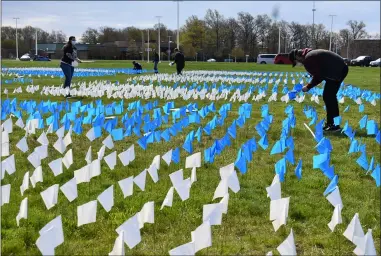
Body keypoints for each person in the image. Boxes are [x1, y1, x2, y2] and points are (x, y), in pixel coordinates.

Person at [289, 48, 348, 132]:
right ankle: (332, 124)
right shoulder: (310, 54)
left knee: (329, 97)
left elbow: (319, 76)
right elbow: (320, 72)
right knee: (329, 97)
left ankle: (334, 125)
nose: (298, 64)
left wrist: (308, 86)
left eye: (296, 62)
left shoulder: (308, 59)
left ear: (297, 58)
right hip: (339, 68)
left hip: (337, 71)